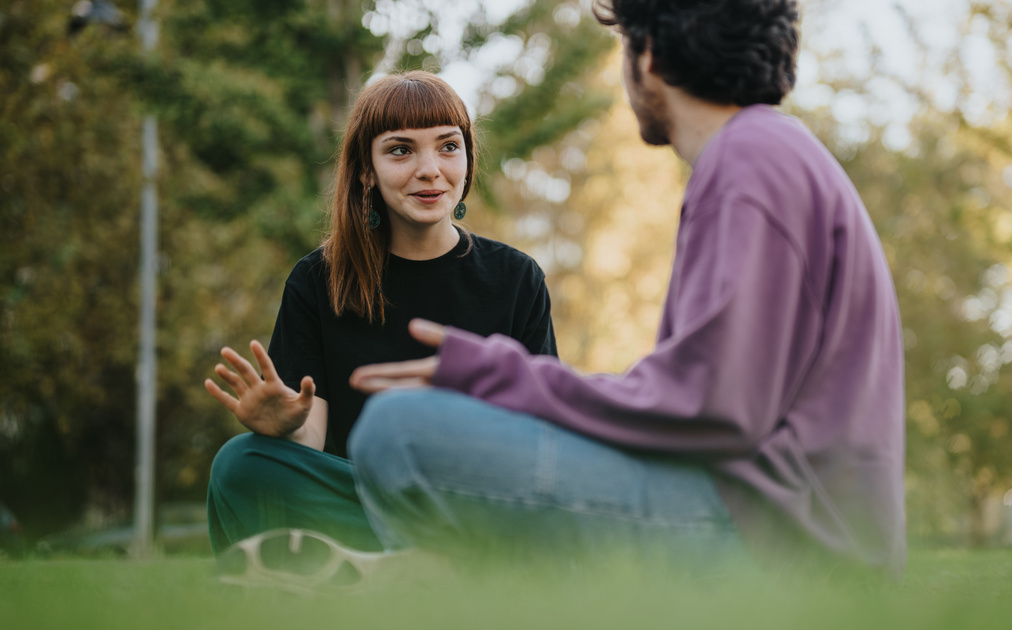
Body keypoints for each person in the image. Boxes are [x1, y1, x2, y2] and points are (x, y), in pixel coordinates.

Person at [342, 0, 906, 578]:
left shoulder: (747, 163)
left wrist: (499, 376)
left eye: (623, 45)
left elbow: (710, 409)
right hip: (789, 522)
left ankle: (430, 589)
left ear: (651, 55)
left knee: (399, 432)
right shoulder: (773, 152)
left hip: (777, 539)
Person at [203, 71, 558, 556]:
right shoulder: (317, 281)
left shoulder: (518, 279)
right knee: (239, 464)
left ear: (468, 160)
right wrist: (287, 430)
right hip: (363, 508)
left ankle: (419, 569)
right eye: (401, 150)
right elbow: (313, 437)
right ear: (366, 170)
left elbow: (541, 440)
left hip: (476, 509)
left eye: (448, 147)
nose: (431, 169)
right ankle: (412, 568)